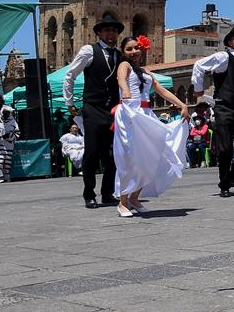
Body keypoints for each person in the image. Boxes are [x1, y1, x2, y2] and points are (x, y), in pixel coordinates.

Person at [113, 36, 190, 217]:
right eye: (129, 49)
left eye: (136, 48)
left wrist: (182, 104)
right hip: (130, 115)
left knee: (153, 157)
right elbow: (121, 79)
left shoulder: (146, 71)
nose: (134, 52)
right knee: (131, 158)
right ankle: (122, 202)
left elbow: (160, 90)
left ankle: (134, 197)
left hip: (146, 115)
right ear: (124, 52)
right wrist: (125, 90)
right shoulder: (124, 65)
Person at [63, 18, 124, 208]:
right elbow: (70, 75)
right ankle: (89, 193)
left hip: (112, 109)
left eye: (114, 30)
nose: (111, 34)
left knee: (113, 153)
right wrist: (70, 102)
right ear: (99, 33)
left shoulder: (120, 55)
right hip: (93, 107)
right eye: (106, 30)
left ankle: (107, 193)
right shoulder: (90, 51)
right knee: (91, 152)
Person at [192, 27, 234, 197]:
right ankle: (224, 184)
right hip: (224, 109)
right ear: (229, 42)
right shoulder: (223, 57)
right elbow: (199, 65)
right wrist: (199, 89)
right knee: (225, 149)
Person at [0, 101, 19, 183]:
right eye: (5, 112)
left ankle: (6, 176)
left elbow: (17, 134)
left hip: (9, 145)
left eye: (8, 112)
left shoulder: (13, 122)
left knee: (7, 162)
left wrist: (10, 137)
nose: (6, 114)